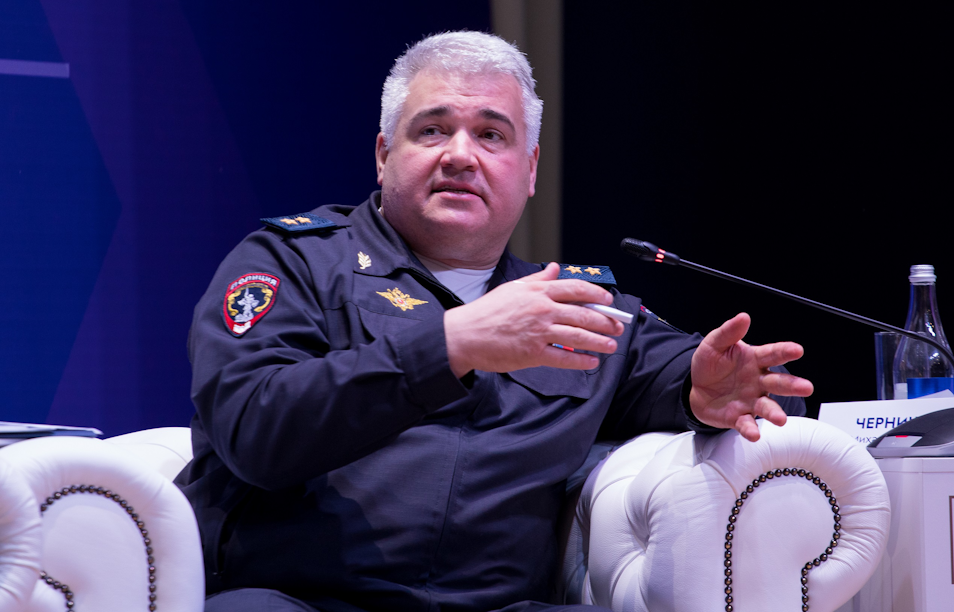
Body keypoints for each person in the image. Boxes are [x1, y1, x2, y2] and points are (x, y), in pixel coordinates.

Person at [175, 31, 813, 612]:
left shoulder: (575, 305)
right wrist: (452, 343)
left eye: (491, 135)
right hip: (301, 600)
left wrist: (710, 389)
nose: (460, 155)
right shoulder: (293, 263)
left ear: (529, 170)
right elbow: (254, 429)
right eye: (432, 131)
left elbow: (713, 382)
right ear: (383, 155)